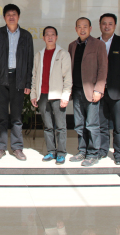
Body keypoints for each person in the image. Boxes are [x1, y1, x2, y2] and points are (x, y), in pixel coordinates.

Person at [0, 4, 34, 161]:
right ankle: (0, 148)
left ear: (18, 17)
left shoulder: (26, 36)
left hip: (18, 79)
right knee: (1, 116)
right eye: (8, 14)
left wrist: (28, 83)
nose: (11, 17)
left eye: (14, 14)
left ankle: (17, 147)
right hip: (1, 79)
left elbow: (29, 61)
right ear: (4, 17)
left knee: (16, 116)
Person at [68, 17, 108, 167]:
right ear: (75, 29)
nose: (82, 29)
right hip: (77, 91)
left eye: (85, 26)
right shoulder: (72, 45)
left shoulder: (98, 44)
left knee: (92, 124)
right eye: (79, 26)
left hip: (92, 91)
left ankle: (93, 154)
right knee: (79, 124)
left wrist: (99, 89)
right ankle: (82, 151)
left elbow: (103, 68)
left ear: (91, 28)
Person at [30, 26, 72, 165]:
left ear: (56, 37)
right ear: (43, 38)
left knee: (60, 126)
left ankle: (61, 153)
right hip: (42, 95)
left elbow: (67, 77)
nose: (50, 37)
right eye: (47, 34)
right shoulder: (39, 55)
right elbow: (34, 76)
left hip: (58, 95)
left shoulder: (63, 54)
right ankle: (51, 151)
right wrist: (33, 94)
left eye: (52, 34)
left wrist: (65, 96)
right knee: (47, 126)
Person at [97, 13, 120, 165]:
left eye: (110, 24)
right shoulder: (94, 43)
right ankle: (102, 150)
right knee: (102, 124)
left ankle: (119, 153)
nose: (107, 26)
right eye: (104, 23)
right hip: (99, 92)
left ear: (115, 26)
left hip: (117, 92)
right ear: (100, 25)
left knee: (119, 125)